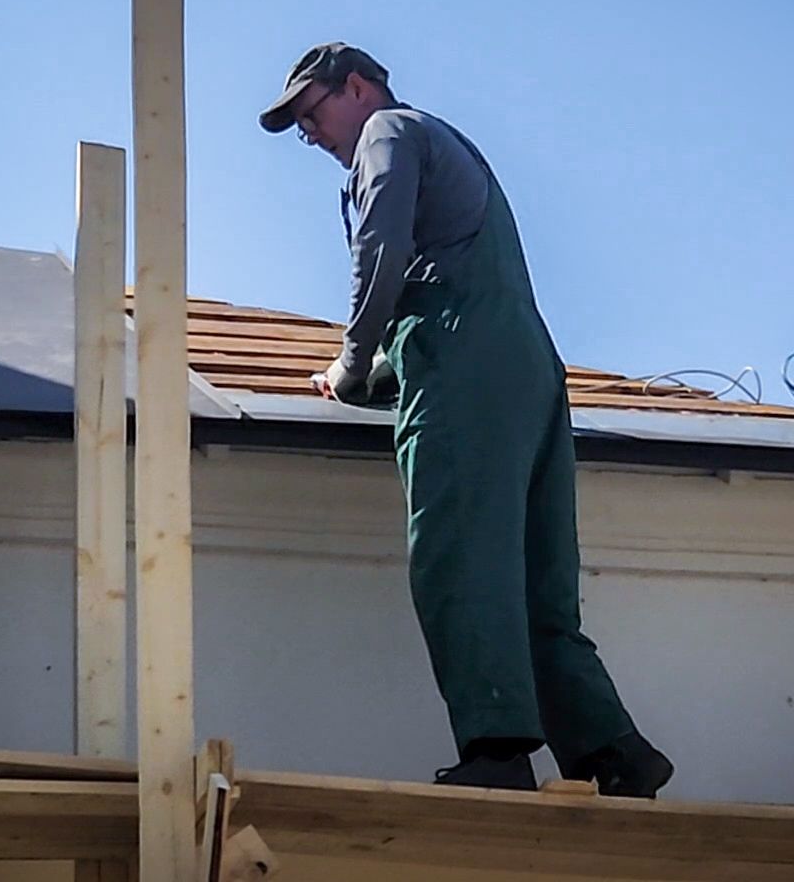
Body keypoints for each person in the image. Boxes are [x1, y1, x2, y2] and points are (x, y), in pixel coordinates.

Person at [259, 43, 673, 795]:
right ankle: (613, 751)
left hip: (465, 372)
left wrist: (350, 362)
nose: (309, 135)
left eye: (312, 113)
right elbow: (440, 292)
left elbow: (382, 250)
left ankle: (498, 750)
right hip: (529, 374)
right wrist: (373, 378)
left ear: (359, 87)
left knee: (459, 560)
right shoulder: (448, 148)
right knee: (537, 584)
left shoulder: (388, 132)